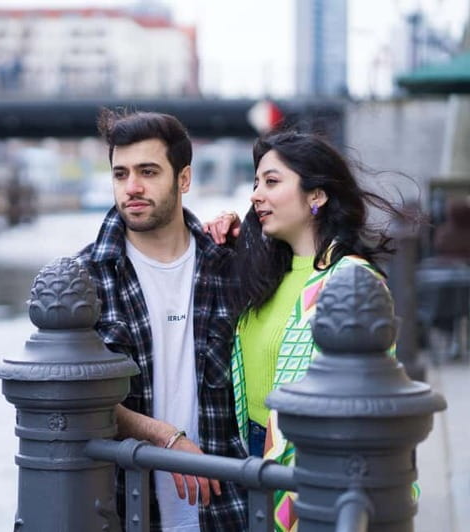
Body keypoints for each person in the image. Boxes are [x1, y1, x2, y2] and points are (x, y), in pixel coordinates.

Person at [204, 130, 402, 532]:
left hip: (317, 463)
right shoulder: (264, 272)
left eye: (272, 182)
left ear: (317, 195)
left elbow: (377, 400)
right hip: (252, 455)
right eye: (256, 182)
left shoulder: (351, 281)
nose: (256, 194)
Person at [75, 109, 248, 531]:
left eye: (148, 171)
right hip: (128, 511)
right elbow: (75, 400)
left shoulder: (229, 266)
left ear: (183, 179)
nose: (131, 187)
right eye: (120, 174)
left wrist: (257, 242)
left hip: (227, 513)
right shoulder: (83, 279)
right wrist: (166, 439)